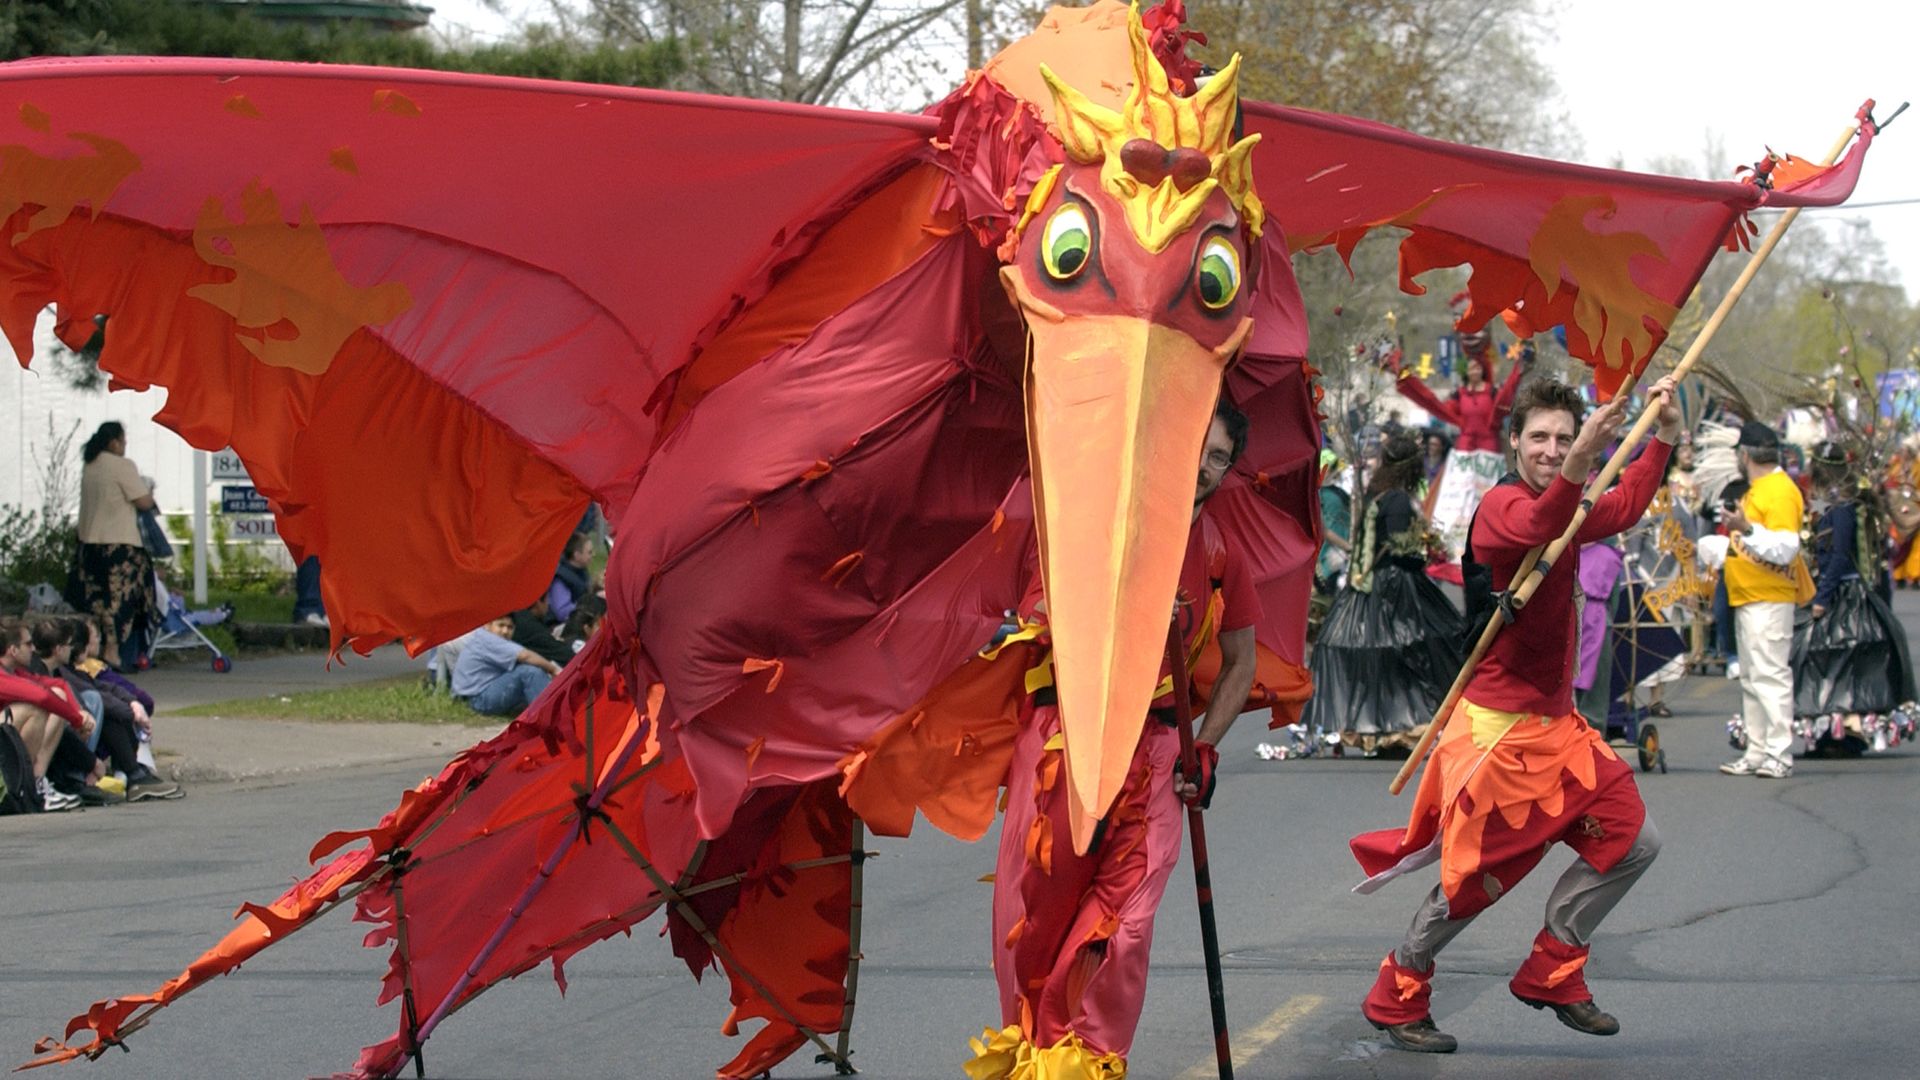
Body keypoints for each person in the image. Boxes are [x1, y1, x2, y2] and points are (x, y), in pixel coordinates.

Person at [1351, 374, 1680, 1054]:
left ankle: (1553, 968)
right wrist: (1584, 459)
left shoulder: (1570, 501)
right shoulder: (1501, 505)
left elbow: (1623, 505)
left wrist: (1663, 439)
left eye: (1565, 438)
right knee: (1473, 881)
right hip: (1499, 735)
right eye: (1540, 438)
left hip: (1560, 730)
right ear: (1514, 442)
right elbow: (1540, 525)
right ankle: (1399, 989)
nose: (1552, 449)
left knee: (1634, 841)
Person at [981, 399, 1261, 1073]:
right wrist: (1124, 606)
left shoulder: (1220, 553)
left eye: (1219, 457)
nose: (1203, 466)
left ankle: (1090, 1063)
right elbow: (1040, 614)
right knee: (1036, 922)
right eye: (1196, 446)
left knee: (1126, 927)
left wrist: (1204, 745)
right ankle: (1037, 1060)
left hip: (1158, 751)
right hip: (1068, 742)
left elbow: (1242, 663)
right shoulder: (1092, 522)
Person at [1302, 432, 1464, 756]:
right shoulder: (1399, 501)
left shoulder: (1377, 494)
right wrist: (1425, 553)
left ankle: (1384, 731)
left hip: (1368, 585)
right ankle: (1400, 728)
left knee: (1385, 660)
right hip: (1393, 586)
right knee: (1415, 650)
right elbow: (1398, 550)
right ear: (1411, 466)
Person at [1790, 442, 1916, 755]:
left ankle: (1846, 733)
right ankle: (1831, 732)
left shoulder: (1842, 505)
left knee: (1841, 664)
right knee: (1827, 663)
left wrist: (1823, 597)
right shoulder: (1829, 501)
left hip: (1845, 595)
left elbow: (1840, 555)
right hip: (1832, 589)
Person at [1713, 421, 1805, 779]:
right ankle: (1757, 751)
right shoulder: (1762, 489)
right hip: (1751, 597)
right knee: (1753, 680)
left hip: (1769, 598)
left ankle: (1778, 754)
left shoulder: (1779, 491)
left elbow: (1786, 548)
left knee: (1770, 677)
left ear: (1745, 454)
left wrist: (1746, 529)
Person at [69, 422, 159, 671]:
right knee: (121, 604)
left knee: (96, 603)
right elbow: (143, 501)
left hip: (89, 545)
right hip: (119, 546)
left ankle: (95, 653)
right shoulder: (122, 466)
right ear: (113, 442)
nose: (125, 444)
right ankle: (115, 653)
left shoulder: (90, 465)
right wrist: (150, 491)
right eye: (123, 440)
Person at [0, 618, 91, 812]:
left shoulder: (14, 671)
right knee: (36, 709)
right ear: (13, 650)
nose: (33, 649)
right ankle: (28, 788)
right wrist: (76, 720)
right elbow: (41, 697)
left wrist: (79, 712)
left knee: (57, 696)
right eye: (28, 644)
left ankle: (36, 783)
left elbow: (58, 684)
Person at [450, 615, 562, 717]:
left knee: (532, 676)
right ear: (488, 625)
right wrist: (554, 670)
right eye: (501, 625)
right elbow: (525, 656)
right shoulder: (488, 639)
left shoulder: (482, 637)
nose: (505, 631)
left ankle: (552, 711)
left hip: (477, 695)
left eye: (510, 627)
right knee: (529, 672)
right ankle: (549, 717)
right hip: (477, 700)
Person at [546, 533, 595, 625]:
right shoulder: (561, 579)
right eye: (589, 552)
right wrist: (590, 606)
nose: (593, 555)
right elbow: (562, 612)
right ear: (577, 555)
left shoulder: (581, 572)